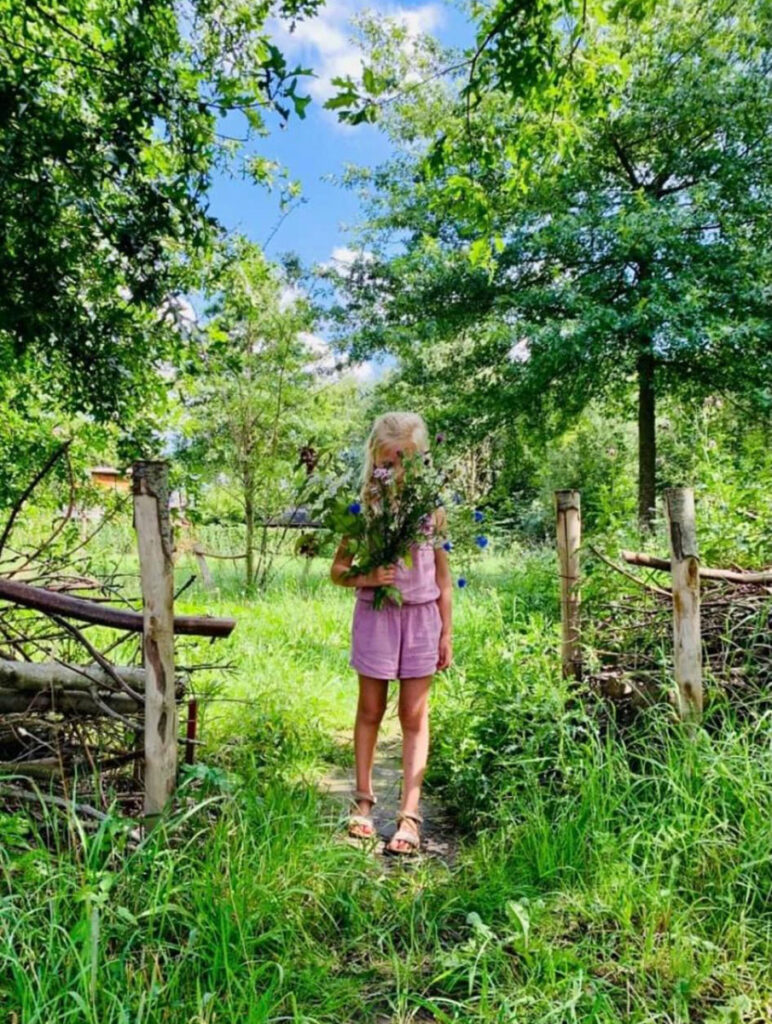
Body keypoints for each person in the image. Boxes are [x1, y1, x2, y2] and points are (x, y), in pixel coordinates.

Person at [330, 412, 453, 855]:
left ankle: (410, 815)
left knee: (414, 716)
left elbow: (442, 579)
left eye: (407, 462)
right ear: (375, 460)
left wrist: (446, 634)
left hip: (421, 620)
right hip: (376, 617)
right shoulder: (362, 511)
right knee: (370, 708)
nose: (397, 472)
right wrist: (367, 576)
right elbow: (338, 572)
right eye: (389, 463)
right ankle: (362, 802)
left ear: (422, 462)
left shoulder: (432, 512)